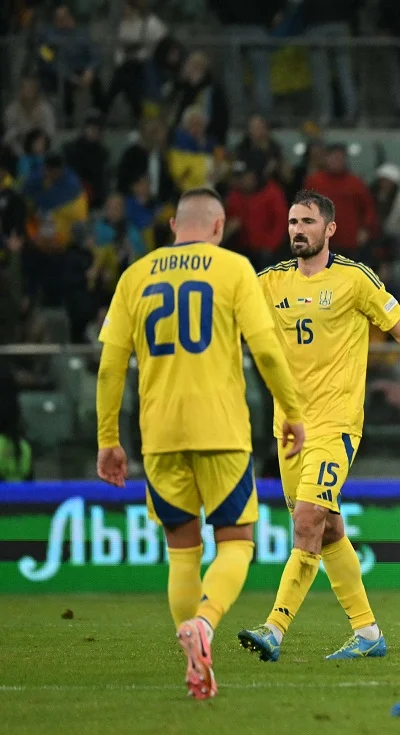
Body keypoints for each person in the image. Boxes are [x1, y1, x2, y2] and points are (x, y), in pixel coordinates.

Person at [95, 187, 306, 699]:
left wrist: (108, 439)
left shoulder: (134, 276)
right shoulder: (233, 269)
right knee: (237, 543)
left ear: (172, 226)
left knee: (182, 553)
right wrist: (292, 412)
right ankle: (206, 624)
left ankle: (196, 667)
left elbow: (108, 367)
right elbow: (267, 353)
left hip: (160, 435)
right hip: (222, 431)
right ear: (218, 227)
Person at [237, 190, 400, 661]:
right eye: (292, 221)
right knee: (330, 530)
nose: (297, 229)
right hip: (290, 429)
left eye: (307, 221)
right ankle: (367, 634)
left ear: (330, 229)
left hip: (337, 422)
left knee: (307, 520)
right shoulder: (269, 283)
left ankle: (274, 629)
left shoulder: (355, 280)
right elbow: (227, 313)